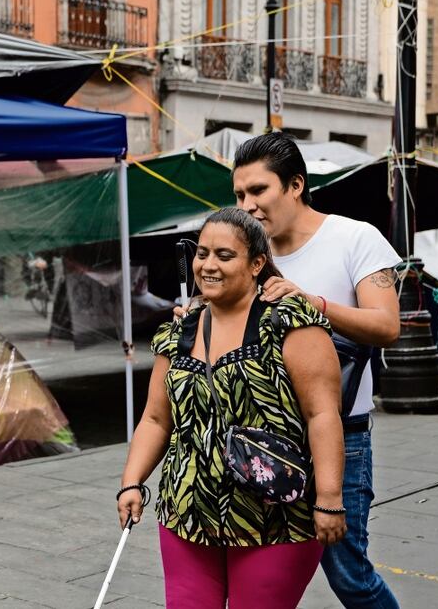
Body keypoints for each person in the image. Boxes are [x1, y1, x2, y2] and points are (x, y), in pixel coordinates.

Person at [119, 207, 346, 608]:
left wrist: (328, 498)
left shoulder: (289, 322)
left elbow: (322, 414)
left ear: (257, 263)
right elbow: (156, 419)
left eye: (224, 255)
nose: (208, 265)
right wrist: (132, 481)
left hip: (273, 517)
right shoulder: (177, 332)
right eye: (202, 253)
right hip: (186, 512)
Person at [232, 132, 401, 608]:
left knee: (347, 572)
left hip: (342, 433)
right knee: (263, 567)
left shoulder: (354, 237)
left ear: (295, 185)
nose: (248, 205)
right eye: (239, 195)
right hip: (261, 435)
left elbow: (387, 326)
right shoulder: (246, 253)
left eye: (258, 191)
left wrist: (313, 303)